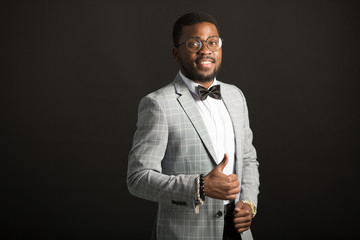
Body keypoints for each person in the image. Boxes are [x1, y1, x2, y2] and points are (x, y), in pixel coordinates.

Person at [127, 12, 259, 240]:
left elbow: (248, 159)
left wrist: (248, 204)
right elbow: (138, 179)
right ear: (176, 53)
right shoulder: (158, 104)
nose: (205, 49)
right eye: (194, 43)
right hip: (186, 234)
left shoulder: (236, 96)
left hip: (238, 232)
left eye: (212, 42)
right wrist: (200, 187)